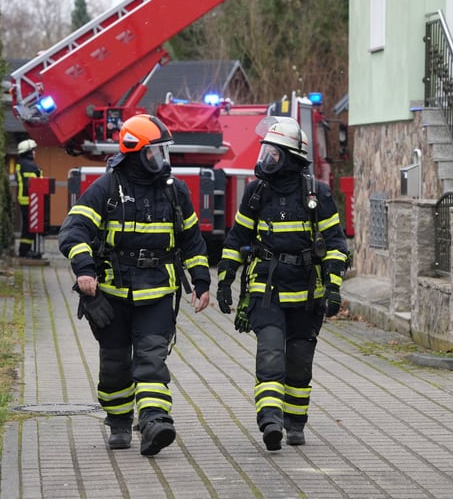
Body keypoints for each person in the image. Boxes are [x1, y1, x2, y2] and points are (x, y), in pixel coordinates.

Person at [58, 114, 212, 456]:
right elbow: (73, 231)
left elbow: (192, 241)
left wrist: (201, 281)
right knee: (115, 366)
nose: (163, 159)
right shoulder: (107, 188)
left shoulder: (175, 191)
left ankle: (156, 421)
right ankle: (118, 421)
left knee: (151, 358)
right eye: (156, 152)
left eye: (164, 151)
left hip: (157, 292)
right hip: (112, 295)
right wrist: (84, 269)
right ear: (136, 152)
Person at [215, 117, 348, 451]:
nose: (266, 159)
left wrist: (333, 287)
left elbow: (335, 243)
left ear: (290, 158)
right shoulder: (256, 192)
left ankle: (295, 422)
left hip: (308, 293)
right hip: (267, 288)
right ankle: (270, 419)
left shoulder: (317, 193)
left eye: (273, 154)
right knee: (271, 354)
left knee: (299, 362)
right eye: (266, 152)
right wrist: (225, 278)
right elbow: (237, 237)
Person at [15, 138, 43, 258]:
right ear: (28, 152)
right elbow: (35, 184)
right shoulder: (29, 166)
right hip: (30, 199)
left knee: (27, 226)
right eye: (33, 150)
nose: (34, 153)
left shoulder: (22, 163)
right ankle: (24, 251)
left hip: (26, 198)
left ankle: (25, 250)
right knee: (29, 227)